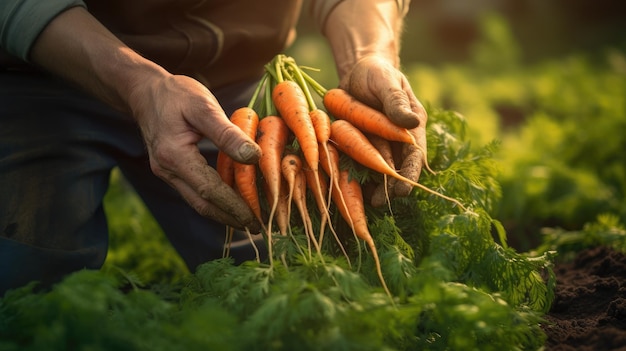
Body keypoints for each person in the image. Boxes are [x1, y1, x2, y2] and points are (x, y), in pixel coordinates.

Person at [0, 0, 428, 295]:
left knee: (286, 276)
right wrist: (140, 85)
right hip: (42, 68)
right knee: (29, 293)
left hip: (229, 85)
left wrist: (367, 55)